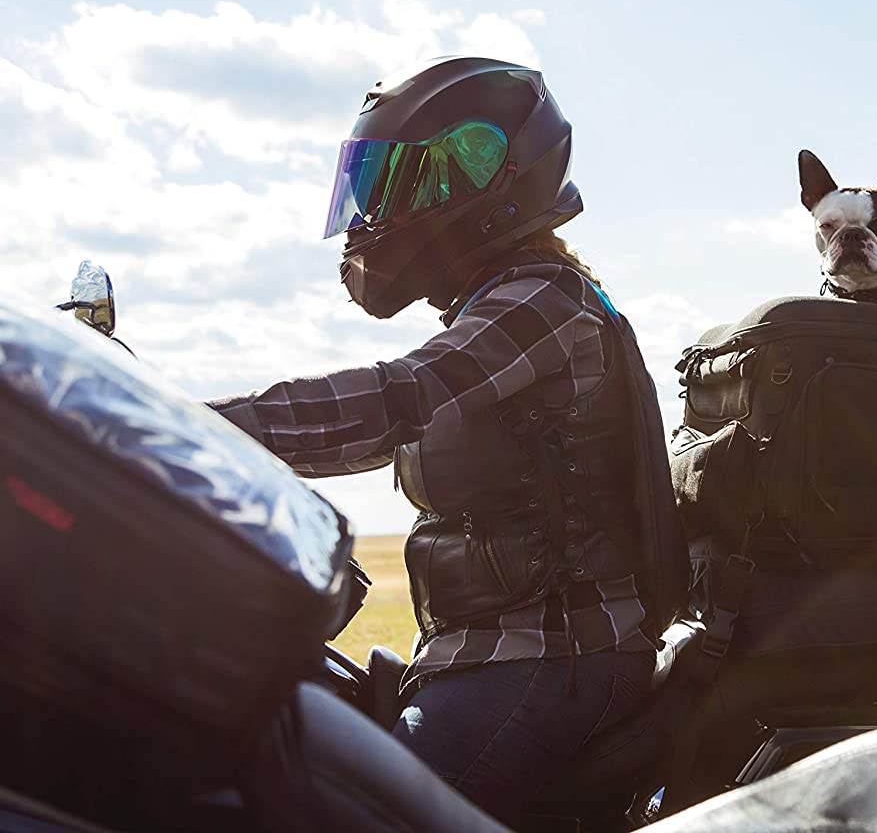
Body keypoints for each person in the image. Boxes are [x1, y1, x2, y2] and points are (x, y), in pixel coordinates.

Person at [208, 56, 686, 823]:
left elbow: (393, 399)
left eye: (394, 186)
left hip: (551, 657)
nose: (372, 216)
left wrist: (174, 426)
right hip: (491, 655)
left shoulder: (544, 302)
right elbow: (378, 427)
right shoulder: (502, 304)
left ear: (481, 181)